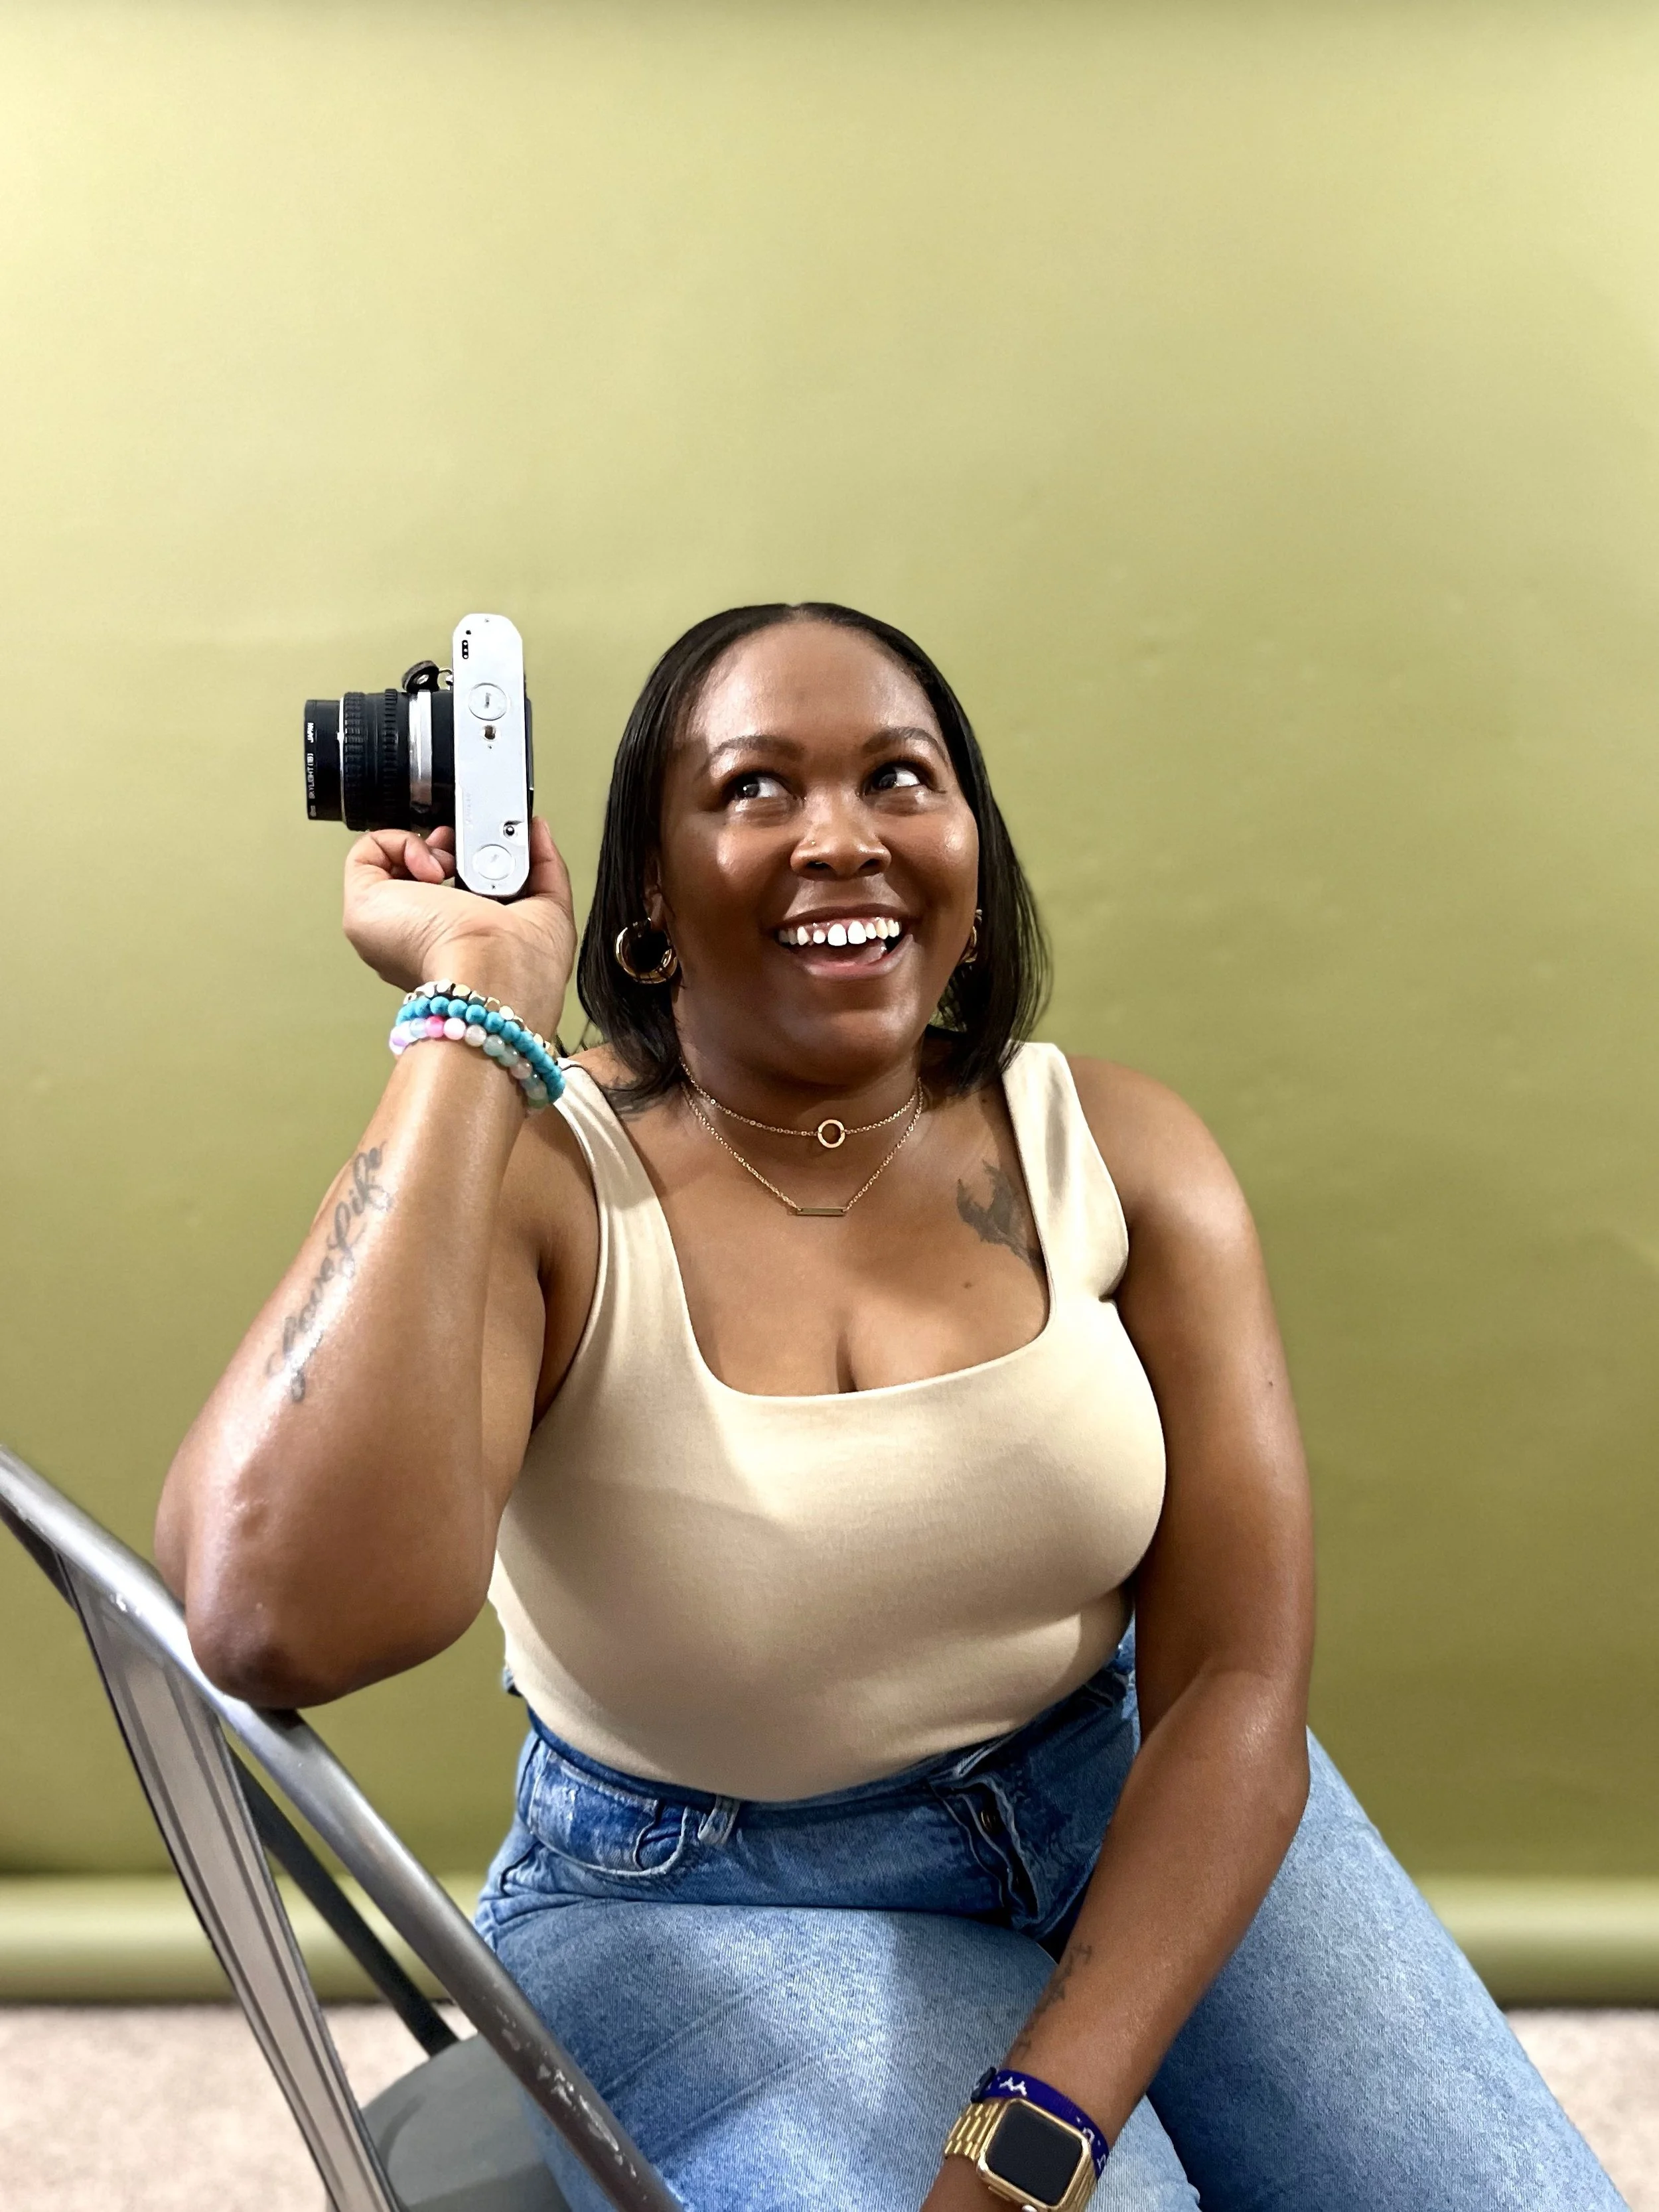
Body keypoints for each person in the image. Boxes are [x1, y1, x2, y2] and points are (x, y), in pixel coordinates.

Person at [156, 604, 1621, 2211]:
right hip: (695, 1899)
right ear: (645, 898)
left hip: (1123, 1789)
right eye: (754, 789)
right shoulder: (544, 1179)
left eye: (897, 779)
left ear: (971, 865)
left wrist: (1035, 2128)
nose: (837, 835)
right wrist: (475, 1016)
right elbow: (264, 1616)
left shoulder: (1122, 1151)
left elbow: (1232, 1682)